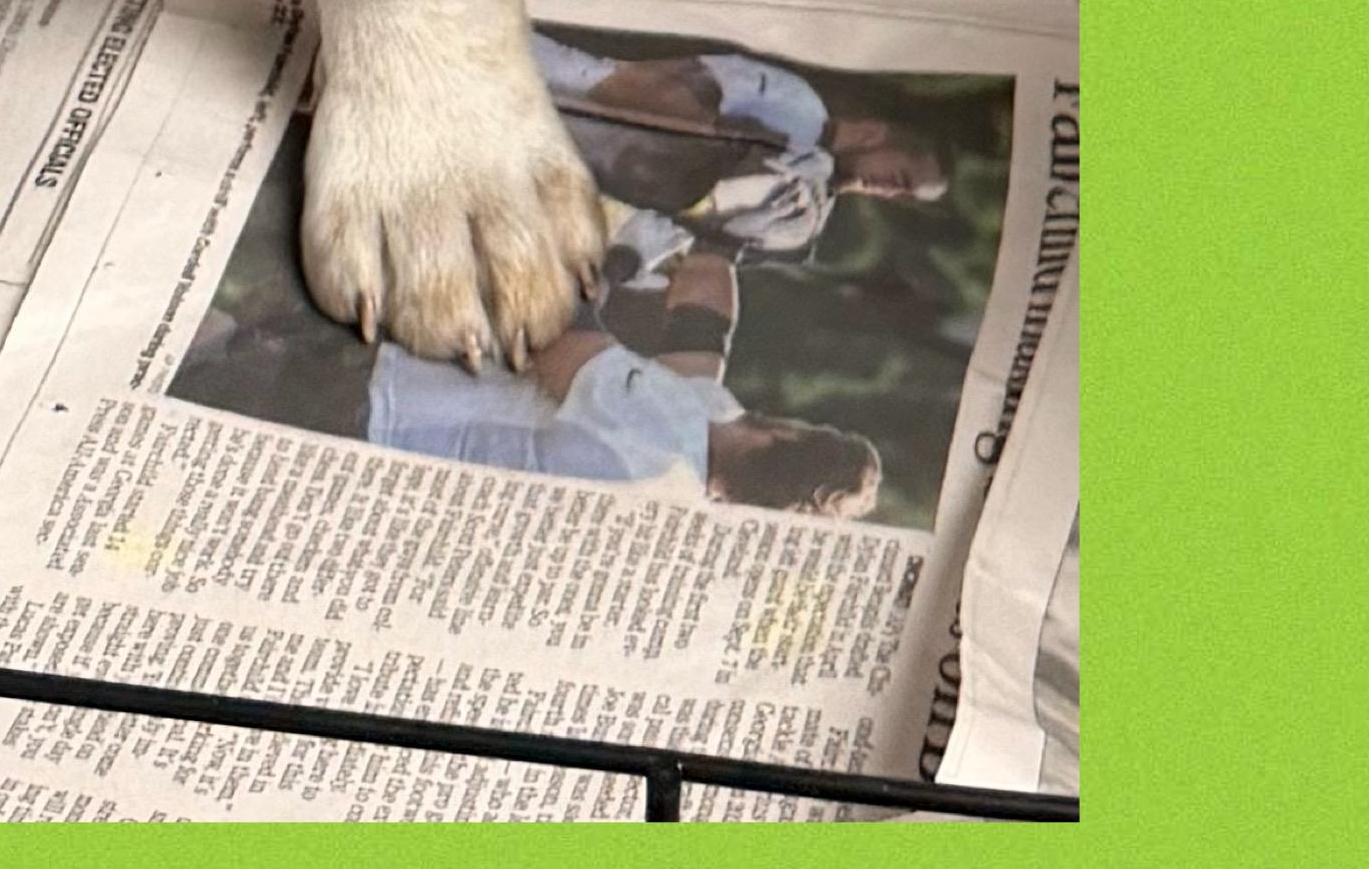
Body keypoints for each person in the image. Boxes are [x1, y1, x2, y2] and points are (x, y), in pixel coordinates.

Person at [366, 252, 882, 518]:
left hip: (378, 404)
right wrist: (709, 234)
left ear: (788, 437)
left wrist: (621, 255)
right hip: (379, 456)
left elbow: (555, 327)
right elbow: (701, 330)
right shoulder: (686, 479)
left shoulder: (663, 438)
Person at [530, 31, 945, 263]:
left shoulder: (799, 219)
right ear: (876, 133)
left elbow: (685, 239)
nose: (893, 190)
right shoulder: (797, 105)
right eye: (903, 176)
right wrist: (722, 150)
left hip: (552, 177)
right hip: (560, 87)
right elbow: (649, 85)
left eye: (904, 194)